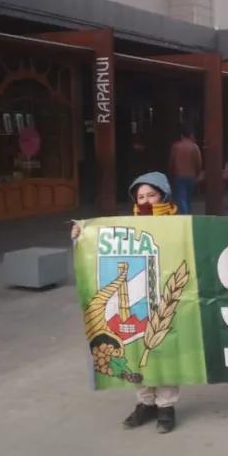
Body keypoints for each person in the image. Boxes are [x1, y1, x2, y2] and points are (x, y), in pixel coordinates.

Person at [70, 172, 182, 433]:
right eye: (140, 196)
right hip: (136, 304)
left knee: (165, 353)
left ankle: (166, 406)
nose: (145, 201)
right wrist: (80, 234)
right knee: (134, 353)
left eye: (151, 195)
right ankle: (145, 403)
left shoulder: (180, 224)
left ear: (163, 196)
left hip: (167, 299)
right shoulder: (124, 228)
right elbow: (94, 246)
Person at [168, 125, 202, 216]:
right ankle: (188, 213)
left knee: (181, 197)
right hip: (191, 175)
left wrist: (171, 172)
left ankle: (185, 214)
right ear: (190, 135)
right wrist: (198, 172)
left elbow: (172, 161)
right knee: (189, 197)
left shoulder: (176, 146)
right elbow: (198, 162)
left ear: (181, 136)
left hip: (179, 175)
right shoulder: (194, 147)